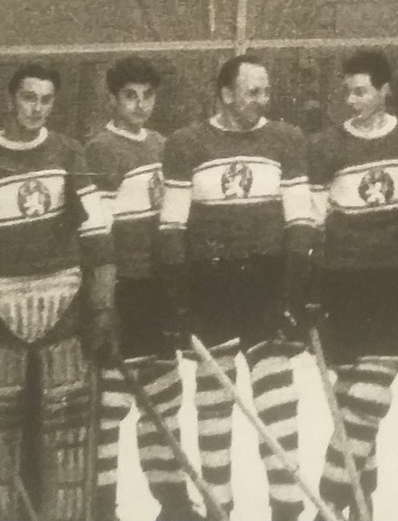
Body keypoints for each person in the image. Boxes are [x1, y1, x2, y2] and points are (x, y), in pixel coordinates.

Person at [0, 63, 116, 521]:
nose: (36, 108)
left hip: (62, 314)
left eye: (45, 100)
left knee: (66, 432)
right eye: (28, 98)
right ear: (10, 100)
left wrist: (100, 309)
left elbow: (97, 239)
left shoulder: (68, 153)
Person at [157, 54, 312, 521]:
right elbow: (171, 228)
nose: (262, 101)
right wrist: (179, 301)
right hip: (211, 283)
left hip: (267, 282)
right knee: (214, 407)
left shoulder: (286, 139)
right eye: (252, 92)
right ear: (225, 93)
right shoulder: (187, 143)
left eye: (266, 91)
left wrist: (293, 293)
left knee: (278, 403)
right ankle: (217, 508)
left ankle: (287, 508)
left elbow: (301, 221)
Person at [307, 50, 398, 518]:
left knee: (369, 399)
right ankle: (362, 507)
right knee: (351, 402)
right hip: (342, 286)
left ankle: (327, 502)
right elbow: (315, 221)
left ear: (385, 90)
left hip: (394, 286)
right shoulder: (326, 146)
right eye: (347, 91)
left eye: (361, 90)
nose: (352, 100)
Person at [85, 57, 198, 521]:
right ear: (113, 99)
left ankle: (172, 504)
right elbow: (99, 232)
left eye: (148, 96)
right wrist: (103, 302)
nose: (140, 104)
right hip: (120, 286)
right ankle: (100, 507)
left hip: (156, 287)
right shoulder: (99, 149)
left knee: (164, 400)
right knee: (110, 406)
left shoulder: (162, 144)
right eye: (130, 95)